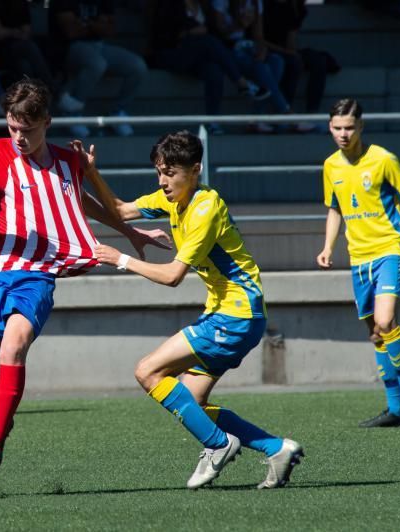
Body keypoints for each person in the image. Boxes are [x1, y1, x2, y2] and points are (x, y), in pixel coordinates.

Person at [0, 77, 169, 497]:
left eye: (27, 128)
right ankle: (1, 422)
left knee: (12, 349)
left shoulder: (68, 160)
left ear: (47, 121)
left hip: (37, 274)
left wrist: (131, 233)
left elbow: (78, 203)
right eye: (12, 127)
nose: (19, 137)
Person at [91, 130, 304, 489]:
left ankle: (218, 445)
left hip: (234, 316)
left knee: (147, 371)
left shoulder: (206, 207)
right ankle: (276, 448)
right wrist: (88, 171)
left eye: (170, 173)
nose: (163, 181)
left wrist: (121, 259)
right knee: (191, 403)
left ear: (196, 170)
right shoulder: (173, 198)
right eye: (159, 171)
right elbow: (118, 210)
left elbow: (174, 275)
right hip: (231, 315)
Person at [317, 98, 400, 428]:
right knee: (375, 332)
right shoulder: (330, 166)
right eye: (337, 127)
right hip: (358, 258)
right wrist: (327, 247)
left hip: (390, 250)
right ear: (329, 128)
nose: (343, 133)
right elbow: (335, 208)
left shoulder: (383, 159)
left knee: (386, 320)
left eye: (349, 127)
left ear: (361, 127)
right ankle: (394, 406)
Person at [148, 0, 270, 134]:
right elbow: (166, 32)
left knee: (214, 70)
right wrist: (190, 31)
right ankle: (241, 82)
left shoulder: (202, 6)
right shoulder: (171, 3)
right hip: (171, 54)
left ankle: (213, 121)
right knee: (208, 42)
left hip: (195, 57)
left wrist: (198, 32)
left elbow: (211, 30)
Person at [49, 0, 148, 137]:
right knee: (97, 64)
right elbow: (71, 32)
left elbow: (110, 29)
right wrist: (98, 24)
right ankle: (72, 113)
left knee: (137, 65)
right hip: (69, 48)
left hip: (98, 45)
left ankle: (117, 112)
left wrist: (85, 23)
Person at [0, 0, 85, 114]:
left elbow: (27, 31)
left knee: (25, 65)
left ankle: (33, 114)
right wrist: (17, 32)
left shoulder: (20, 3)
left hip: (20, 51)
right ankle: (56, 95)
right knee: (29, 48)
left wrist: (12, 33)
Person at [210, 0, 291, 133]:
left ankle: (255, 117)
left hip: (246, 46)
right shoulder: (221, 2)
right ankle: (285, 112)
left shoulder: (255, 2)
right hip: (226, 49)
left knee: (277, 61)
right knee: (260, 68)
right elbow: (220, 33)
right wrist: (238, 23)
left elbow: (258, 35)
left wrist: (262, 49)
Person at [262, 0, 335, 131]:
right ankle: (285, 114)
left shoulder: (297, 8)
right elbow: (258, 39)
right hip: (269, 51)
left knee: (319, 61)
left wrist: (292, 52)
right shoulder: (264, 6)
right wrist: (289, 52)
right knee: (291, 63)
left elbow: (292, 41)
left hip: (288, 51)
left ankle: (312, 113)